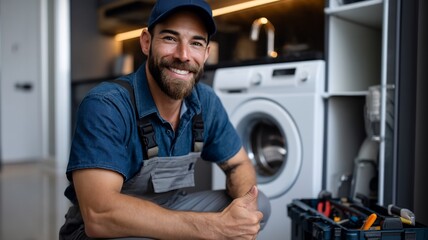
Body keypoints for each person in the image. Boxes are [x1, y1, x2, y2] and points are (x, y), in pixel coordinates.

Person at [59, 0, 271, 239]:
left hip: (171, 210)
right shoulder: (107, 105)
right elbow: (99, 215)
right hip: (108, 230)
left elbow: (239, 164)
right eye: (170, 38)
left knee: (259, 205)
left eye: (196, 43)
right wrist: (213, 227)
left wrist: (242, 210)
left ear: (207, 53)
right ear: (146, 42)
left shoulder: (206, 103)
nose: (183, 55)